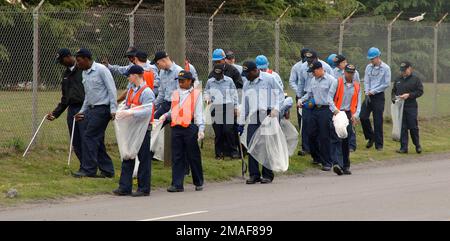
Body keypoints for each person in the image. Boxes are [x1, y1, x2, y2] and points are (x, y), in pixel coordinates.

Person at [73, 48, 117, 178]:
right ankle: (107, 170)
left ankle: (89, 169)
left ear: (87, 59)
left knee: (89, 136)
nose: (78, 64)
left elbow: (111, 89)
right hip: (91, 109)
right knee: (96, 139)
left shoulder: (102, 70)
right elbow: (88, 95)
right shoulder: (84, 73)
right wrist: (82, 111)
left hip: (102, 109)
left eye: (79, 61)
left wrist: (113, 109)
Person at [237, 61, 283, 184]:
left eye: (248, 73)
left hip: (268, 114)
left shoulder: (270, 79)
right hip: (253, 116)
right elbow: (245, 105)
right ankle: (254, 174)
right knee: (251, 143)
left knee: (267, 143)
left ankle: (267, 174)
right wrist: (241, 123)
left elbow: (280, 96)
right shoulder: (247, 84)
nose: (246, 76)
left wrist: (276, 109)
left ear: (255, 71)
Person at [159, 70, 205, 192]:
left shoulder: (196, 94)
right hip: (176, 128)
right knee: (177, 157)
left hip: (190, 127)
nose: (180, 83)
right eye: (179, 81)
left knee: (193, 156)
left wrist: (201, 129)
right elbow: (173, 110)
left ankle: (198, 181)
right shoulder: (175, 93)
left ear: (190, 81)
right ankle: (177, 184)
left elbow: (199, 113)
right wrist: (165, 116)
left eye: (183, 81)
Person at [113, 65, 155, 197]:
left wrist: (130, 113)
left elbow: (148, 110)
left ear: (136, 75)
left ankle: (144, 188)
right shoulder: (131, 89)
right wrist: (121, 111)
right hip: (132, 128)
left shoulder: (147, 92)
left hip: (143, 129)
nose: (128, 78)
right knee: (128, 154)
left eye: (129, 75)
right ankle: (124, 187)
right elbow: (126, 103)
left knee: (143, 158)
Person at [47, 48, 86, 173]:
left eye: (62, 60)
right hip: (72, 109)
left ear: (69, 56)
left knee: (87, 138)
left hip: (84, 107)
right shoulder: (65, 75)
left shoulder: (83, 69)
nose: (61, 63)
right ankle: (84, 166)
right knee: (75, 140)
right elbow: (65, 99)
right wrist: (55, 113)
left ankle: (91, 166)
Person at [298, 61, 338, 171]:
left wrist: (335, 111)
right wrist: (301, 99)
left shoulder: (331, 80)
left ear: (320, 69)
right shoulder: (313, 80)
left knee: (324, 136)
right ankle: (317, 157)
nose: (312, 74)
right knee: (310, 134)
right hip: (315, 109)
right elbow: (310, 94)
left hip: (326, 110)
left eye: (313, 71)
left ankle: (327, 162)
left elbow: (333, 97)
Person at [292, 50, 333, 157]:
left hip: (322, 98)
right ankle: (307, 148)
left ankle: (321, 152)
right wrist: (300, 98)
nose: (309, 63)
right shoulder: (303, 67)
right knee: (307, 124)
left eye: (311, 60)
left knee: (322, 128)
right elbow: (301, 83)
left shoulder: (326, 67)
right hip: (308, 95)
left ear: (316, 58)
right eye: (307, 60)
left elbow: (333, 86)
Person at [331, 64, 362, 176]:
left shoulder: (357, 86)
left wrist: (356, 115)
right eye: (348, 72)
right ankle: (337, 164)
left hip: (349, 114)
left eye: (352, 73)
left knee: (346, 140)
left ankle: (346, 165)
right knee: (337, 138)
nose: (350, 75)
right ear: (344, 72)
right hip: (338, 112)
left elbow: (358, 103)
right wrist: (334, 110)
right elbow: (329, 97)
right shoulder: (337, 82)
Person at [204, 64, 239, 160]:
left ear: (223, 73)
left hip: (228, 106)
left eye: (219, 75)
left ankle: (233, 151)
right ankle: (219, 153)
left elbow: (234, 94)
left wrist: (235, 107)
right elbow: (206, 92)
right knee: (218, 133)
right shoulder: (210, 81)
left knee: (228, 130)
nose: (217, 78)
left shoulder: (229, 81)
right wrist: (207, 99)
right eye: (215, 75)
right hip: (215, 107)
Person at [360, 47, 391, 151]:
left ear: (378, 57)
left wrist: (374, 91)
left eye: (372, 59)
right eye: (370, 59)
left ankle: (379, 145)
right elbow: (366, 80)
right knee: (363, 116)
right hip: (368, 95)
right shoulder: (368, 67)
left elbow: (386, 84)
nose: (371, 61)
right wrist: (366, 91)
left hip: (378, 96)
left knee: (378, 120)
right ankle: (371, 137)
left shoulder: (386, 68)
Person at [391, 61, 423, 154]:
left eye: (405, 70)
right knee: (402, 127)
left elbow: (420, 91)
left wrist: (409, 95)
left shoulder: (415, 79)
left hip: (411, 106)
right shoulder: (398, 79)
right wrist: (394, 98)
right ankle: (403, 147)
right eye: (402, 70)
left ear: (410, 68)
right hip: (400, 107)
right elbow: (393, 91)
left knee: (413, 127)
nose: (403, 72)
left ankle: (417, 145)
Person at [332, 54, 360, 152]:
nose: (336, 66)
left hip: (350, 103)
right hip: (339, 105)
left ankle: (351, 145)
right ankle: (339, 145)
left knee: (350, 126)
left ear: (344, 62)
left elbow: (357, 88)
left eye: (338, 64)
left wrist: (356, 111)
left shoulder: (354, 73)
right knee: (338, 126)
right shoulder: (335, 72)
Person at [152, 51, 184, 120]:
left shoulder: (179, 71)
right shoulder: (162, 72)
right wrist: (153, 105)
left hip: (178, 104)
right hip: (166, 104)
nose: (158, 66)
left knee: (176, 127)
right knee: (153, 123)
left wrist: (168, 114)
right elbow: (161, 93)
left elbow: (182, 95)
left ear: (163, 60)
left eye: (158, 63)